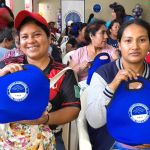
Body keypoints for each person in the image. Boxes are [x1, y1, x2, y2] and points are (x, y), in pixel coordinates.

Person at [0, 10, 80, 150]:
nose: (30, 40)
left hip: (49, 137)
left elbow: (73, 109)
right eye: (25, 36)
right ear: (19, 42)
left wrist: (45, 119)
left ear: (49, 39)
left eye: (37, 34)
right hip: (7, 137)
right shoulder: (8, 66)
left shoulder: (63, 73)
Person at [86, 19, 150, 150]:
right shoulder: (103, 74)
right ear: (119, 44)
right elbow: (94, 120)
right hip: (113, 143)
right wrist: (113, 86)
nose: (135, 46)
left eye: (142, 40)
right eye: (128, 41)